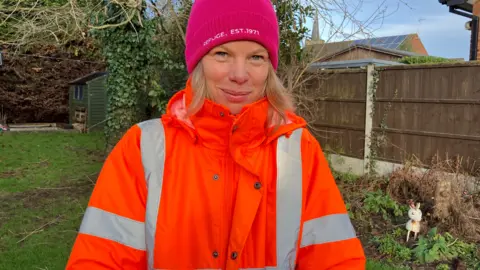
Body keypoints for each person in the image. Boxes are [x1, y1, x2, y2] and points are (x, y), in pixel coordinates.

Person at [65, 0, 366, 269]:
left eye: (256, 57)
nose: (239, 73)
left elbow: (337, 260)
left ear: (270, 68)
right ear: (198, 62)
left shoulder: (299, 150)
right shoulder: (144, 148)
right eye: (222, 53)